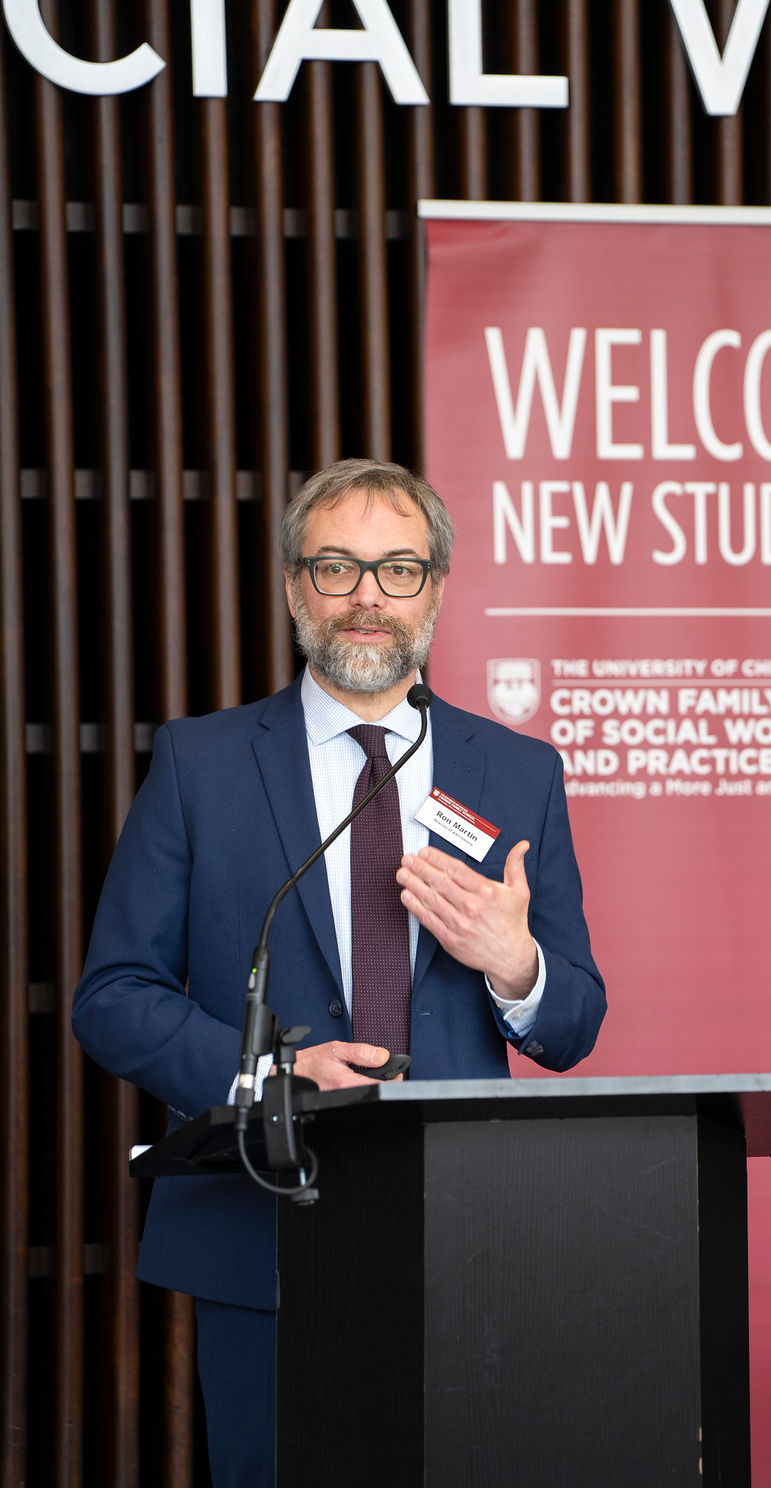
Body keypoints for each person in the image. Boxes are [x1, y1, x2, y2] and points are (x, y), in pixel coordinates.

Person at [72, 458, 606, 1488]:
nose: (369, 594)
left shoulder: (516, 772)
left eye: (399, 568)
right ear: (291, 587)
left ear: (437, 591)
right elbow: (114, 995)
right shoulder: (202, 764)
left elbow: (573, 1021)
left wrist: (516, 966)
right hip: (257, 1225)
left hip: (469, 1234)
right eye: (338, 565)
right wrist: (267, 1077)